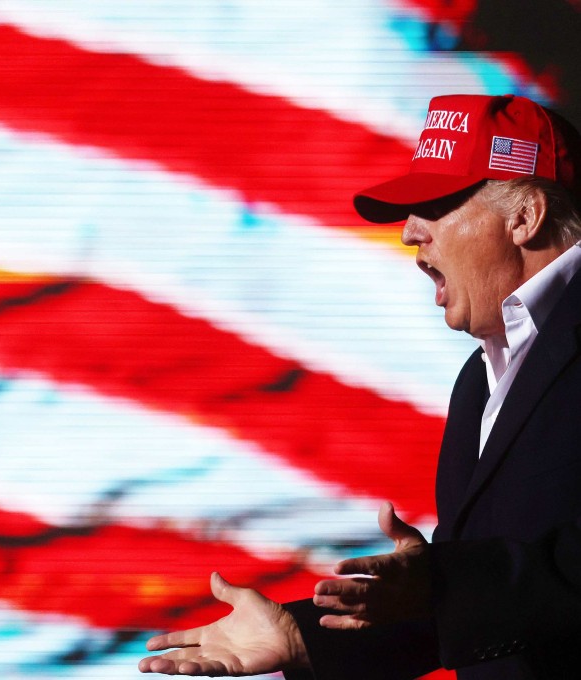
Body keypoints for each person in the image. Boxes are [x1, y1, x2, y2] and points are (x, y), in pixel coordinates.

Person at [137, 93, 581, 679]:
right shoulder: (479, 379)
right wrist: (303, 637)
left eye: (436, 204)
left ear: (525, 216)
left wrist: (441, 584)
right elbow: (482, 608)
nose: (408, 234)